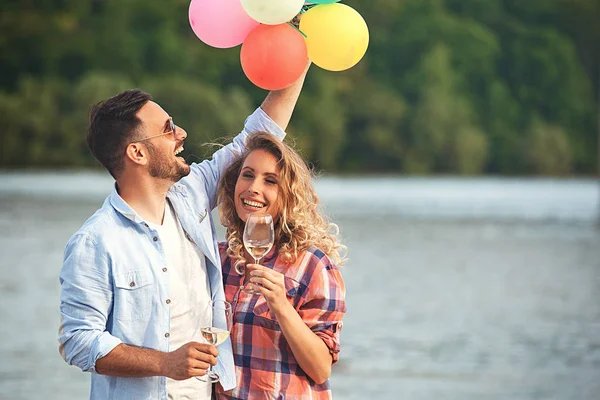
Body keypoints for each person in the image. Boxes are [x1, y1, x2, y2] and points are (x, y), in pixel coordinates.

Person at [58, 68, 308, 400]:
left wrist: (301, 53)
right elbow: (78, 341)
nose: (181, 133)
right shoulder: (96, 240)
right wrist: (165, 363)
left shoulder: (190, 198)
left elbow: (260, 130)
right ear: (138, 153)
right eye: (168, 130)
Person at [215, 132, 347, 399]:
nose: (254, 187)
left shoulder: (312, 266)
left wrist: (281, 304)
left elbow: (321, 369)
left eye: (270, 181)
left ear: (288, 196)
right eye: (248, 175)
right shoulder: (217, 260)